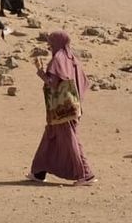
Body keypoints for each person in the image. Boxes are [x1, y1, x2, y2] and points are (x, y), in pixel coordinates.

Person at [30, 32, 95, 186]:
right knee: (50, 136)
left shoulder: (58, 59)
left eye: (51, 43)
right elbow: (85, 82)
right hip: (72, 106)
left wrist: (40, 71)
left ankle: (85, 174)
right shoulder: (72, 59)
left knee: (70, 139)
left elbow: (53, 83)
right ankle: (39, 172)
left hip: (62, 109)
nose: (49, 46)